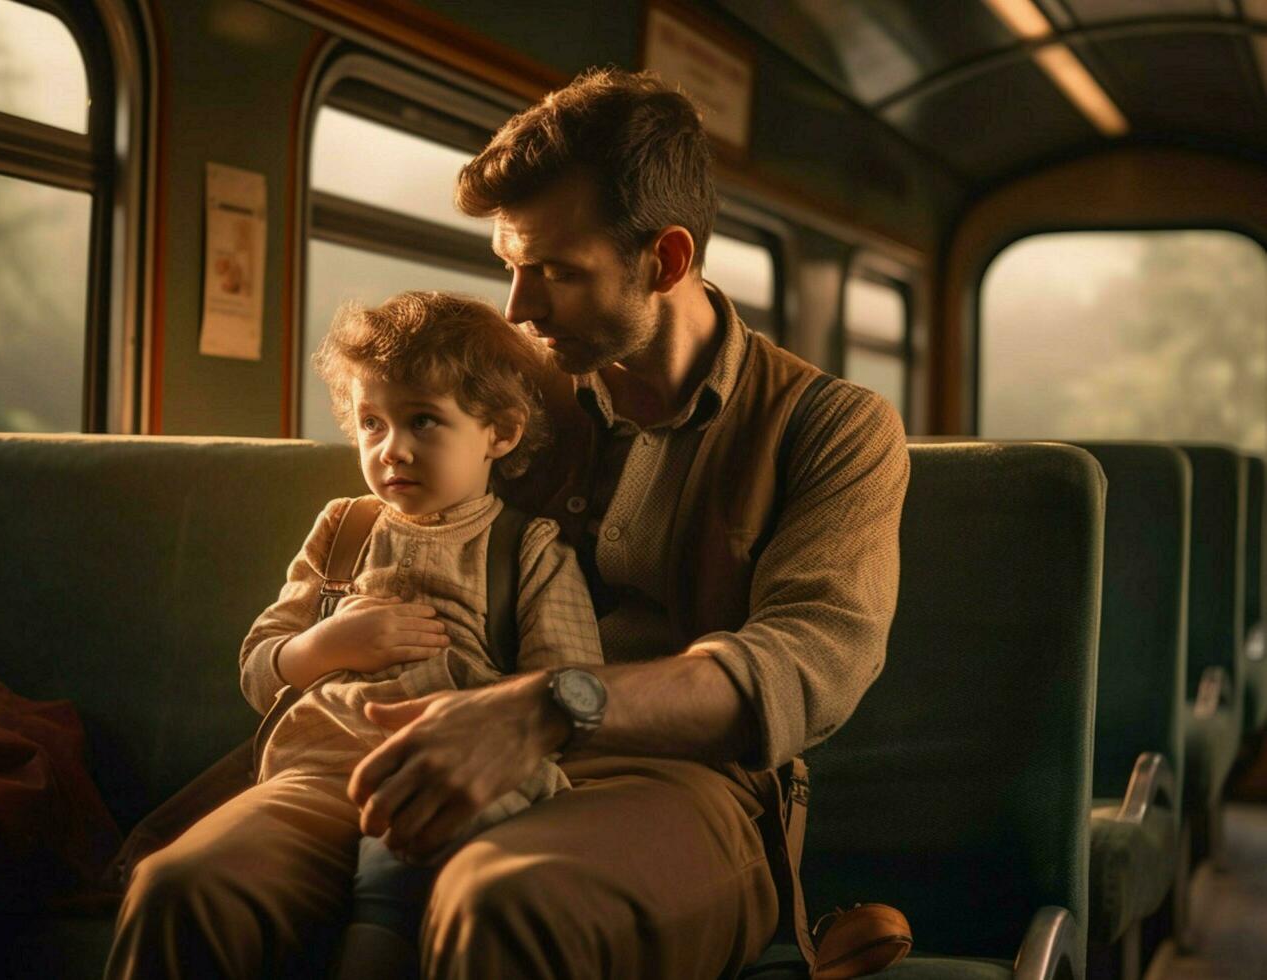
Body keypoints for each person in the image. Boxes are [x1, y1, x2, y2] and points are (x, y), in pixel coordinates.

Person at [108, 67, 909, 979]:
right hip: (415, 738)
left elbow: (807, 663)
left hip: (682, 783)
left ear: (668, 260)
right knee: (186, 889)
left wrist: (549, 709)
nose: (520, 308)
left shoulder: (834, 428)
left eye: (557, 273)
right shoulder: (508, 386)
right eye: (511, 267)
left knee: (499, 903)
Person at [105, 291, 602, 979]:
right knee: (176, 884)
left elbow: (566, 695)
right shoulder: (345, 530)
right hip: (317, 768)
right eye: (371, 423)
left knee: (391, 904)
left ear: (500, 433)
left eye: (423, 421)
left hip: (454, 772)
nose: (391, 449)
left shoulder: (528, 549)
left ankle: (382, 925)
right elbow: (259, 667)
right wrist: (330, 644)